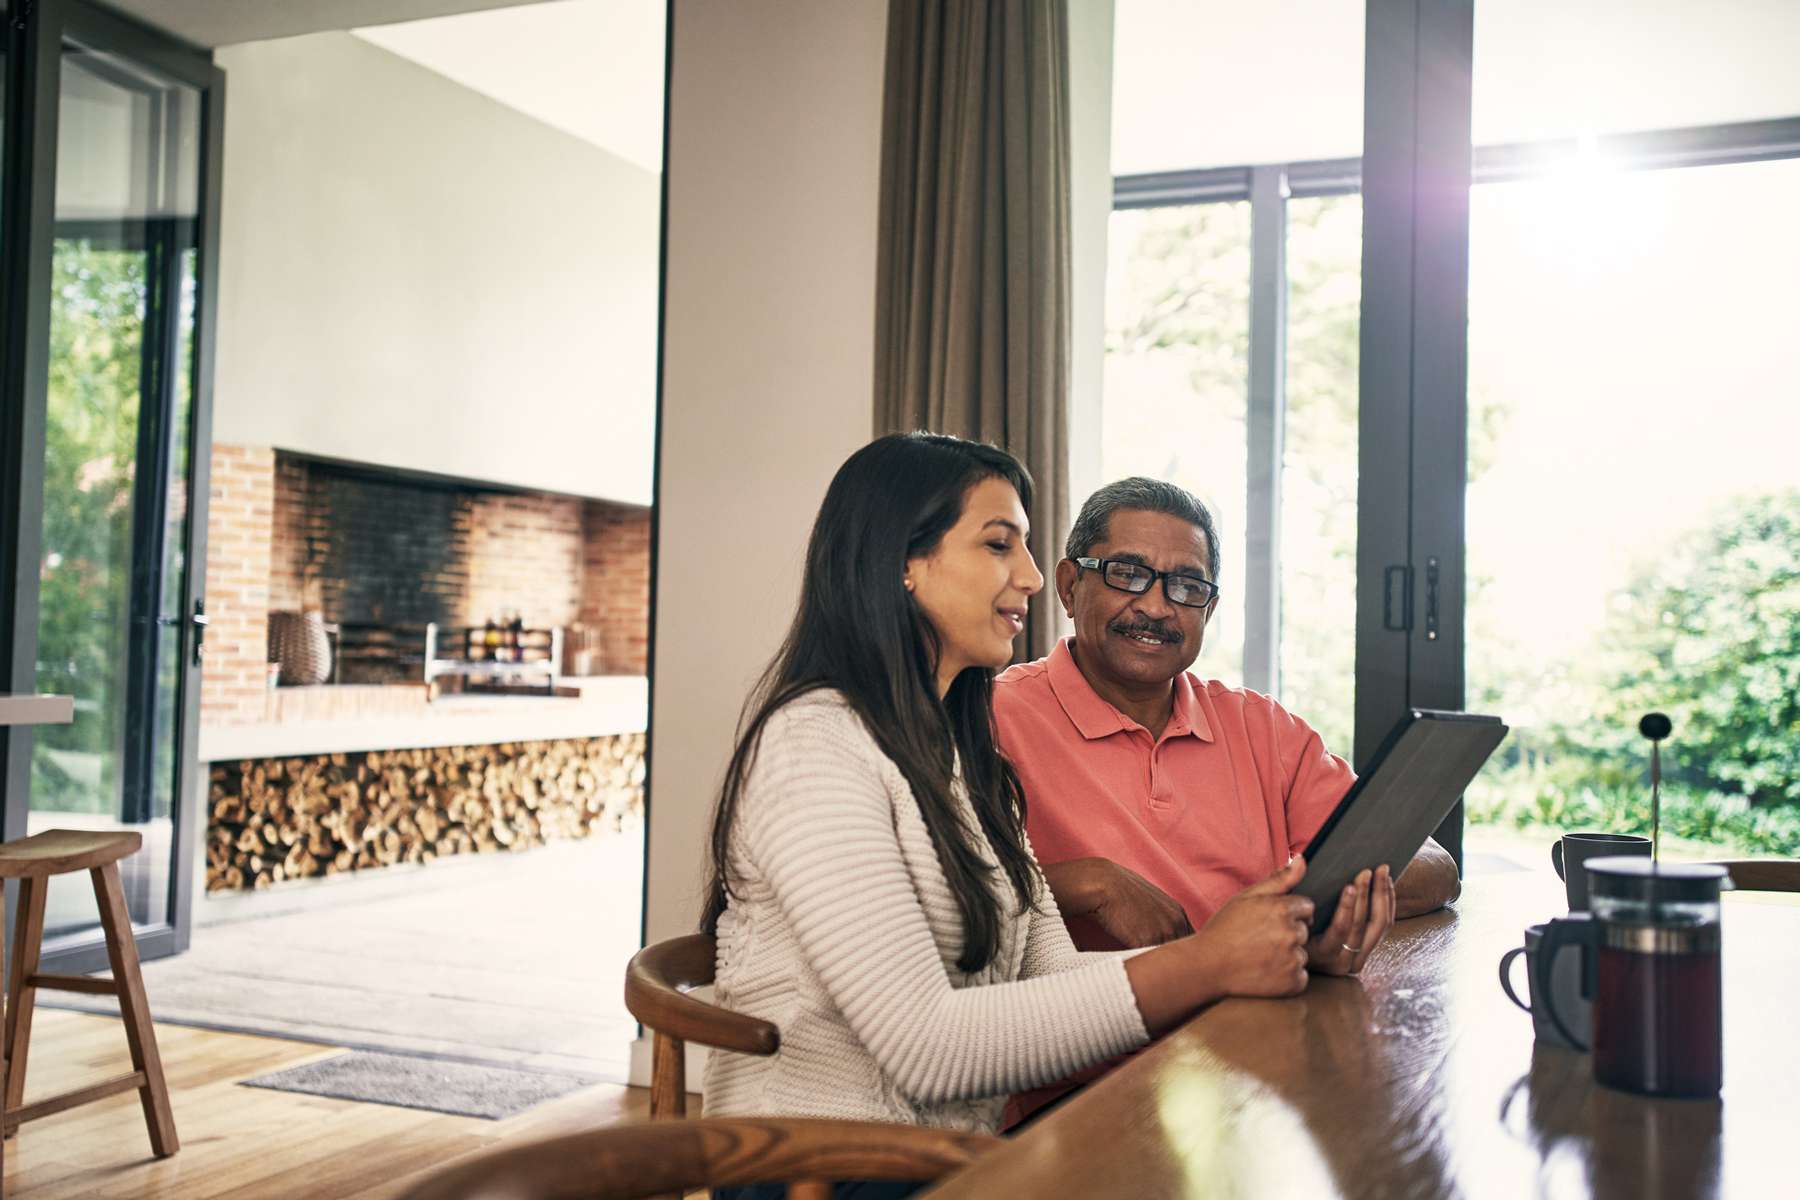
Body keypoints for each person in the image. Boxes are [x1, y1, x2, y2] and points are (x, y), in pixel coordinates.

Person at [701, 435, 1367, 1198]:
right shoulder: (813, 746)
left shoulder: (954, 747)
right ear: (902, 562)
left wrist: (1238, 956)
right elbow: (928, 1048)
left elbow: (1047, 971)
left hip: (956, 1154)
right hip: (828, 1171)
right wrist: (1209, 963)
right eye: (997, 545)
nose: (1027, 576)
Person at [994, 475, 1461, 1123]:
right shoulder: (989, 719)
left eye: (1187, 587)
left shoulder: (1262, 729)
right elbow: (939, 910)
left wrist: (1298, 922)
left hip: (1256, 1062)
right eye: (1129, 573)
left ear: (1208, 611)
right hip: (1085, 1091)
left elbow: (1433, 867)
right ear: (1071, 587)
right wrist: (1084, 883)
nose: (1157, 607)